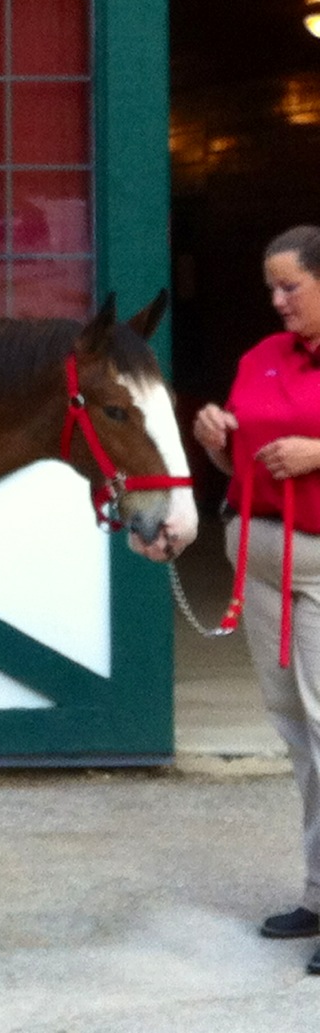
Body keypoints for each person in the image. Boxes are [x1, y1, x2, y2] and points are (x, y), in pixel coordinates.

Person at [192, 224, 320, 972]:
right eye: (271, 286)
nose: (275, 300)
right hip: (258, 558)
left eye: (289, 285)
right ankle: (316, 888)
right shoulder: (258, 357)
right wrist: (215, 440)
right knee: (294, 729)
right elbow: (242, 457)